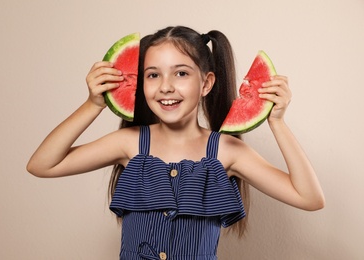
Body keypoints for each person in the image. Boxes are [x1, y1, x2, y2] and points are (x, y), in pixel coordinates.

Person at [27, 26, 324, 259]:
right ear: (141, 84)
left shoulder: (226, 151)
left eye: (181, 73)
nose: (166, 86)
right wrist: (93, 104)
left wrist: (277, 122)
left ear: (206, 83)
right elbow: (42, 164)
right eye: (153, 75)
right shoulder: (129, 143)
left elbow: (309, 198)